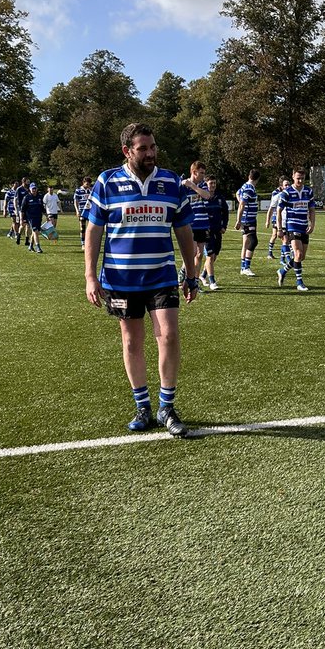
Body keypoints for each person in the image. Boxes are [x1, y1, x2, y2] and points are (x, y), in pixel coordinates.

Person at [83, 122, 198, 438]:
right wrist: (91, 277)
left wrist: (192, 274)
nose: (151, 153)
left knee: (169, 336)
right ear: (127, 151)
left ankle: (167, 407)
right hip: (121, 279)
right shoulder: (107, 181)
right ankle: (142, 406)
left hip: (161, 275)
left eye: (153, 147)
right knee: (132, 340)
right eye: (143, 148)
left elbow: (184, 230)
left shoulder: (172, 182)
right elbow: (93, 231)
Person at [276, 169, 316, 291]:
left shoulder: (308, 191)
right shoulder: (286, 193)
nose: (300, 180)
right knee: (298, 254)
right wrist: (279, 228)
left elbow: (312, 209)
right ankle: (299, 283)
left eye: (302, 178)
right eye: (298, 178)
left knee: (301, 257)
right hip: (292, 226)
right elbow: (278, 211)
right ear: (293, 176)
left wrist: (312, 224)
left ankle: (283, 270)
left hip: (304, 226)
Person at [202, 175, 228, 290]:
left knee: (214, 256)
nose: (212, 185)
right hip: (206, 231)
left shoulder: (220, 198)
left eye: (214, 183)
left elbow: (225, 213)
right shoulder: (202, 197)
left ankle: (203, 275)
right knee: (210, 256)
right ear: (206, 184)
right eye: (210, 183)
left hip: (217, 231)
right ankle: (212, 281)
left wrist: (224, 226)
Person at [235, 169, 260, 277]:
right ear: (258, 179)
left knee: (246, 243)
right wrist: (238, 220)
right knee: (253, 241)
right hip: (248, 220)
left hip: (248, 218)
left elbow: (237, 193)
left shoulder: (245, 186)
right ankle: (246, 267)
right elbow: (242, 204)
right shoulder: (249, 188)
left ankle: (242, 267)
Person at [265, 178, 289, 261]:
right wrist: (268, 220)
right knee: (275, 235)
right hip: (277, 217)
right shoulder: (276, 193)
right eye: (286, 185)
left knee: (285, 238)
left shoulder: (289, 192)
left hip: (285, 218)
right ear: (281, 186)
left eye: (288, 184)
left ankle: (283, 257)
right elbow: (272, 207)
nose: (288, 186)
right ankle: (270, 253)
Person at [20, 183, 45, 253]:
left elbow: (42, 208)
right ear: (30, 189)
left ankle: (30, 246)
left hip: (39, 217)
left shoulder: (40, 197)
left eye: (35, 188)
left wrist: (47, 216)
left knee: (35, 232)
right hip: (30, 218)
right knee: (35, 231)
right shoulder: (26, 198)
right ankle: (38, 247)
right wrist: (21, 219)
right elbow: (22, 210)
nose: (34, 190)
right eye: (32, 188)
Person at [74, 176, 93, 246]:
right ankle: (83, 243)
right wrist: (77, 210)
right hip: (82, 211)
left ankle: (89, 242)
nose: (88, 186)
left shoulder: (91, 190)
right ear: (83, 183)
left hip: (90, 211)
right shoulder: (78, 190)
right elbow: (76, 201)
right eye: (87, 184)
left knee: (90, 228)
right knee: (82, 227)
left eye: (89, 184)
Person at [14, 176, 31, 246]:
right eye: (27, 181)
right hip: (22, 209)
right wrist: (16, 209)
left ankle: (27, 240)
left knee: (28, 225)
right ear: (24, 182)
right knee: (22, 225)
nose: (28, 183)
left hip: (29, 210)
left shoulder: (29, 189)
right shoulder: (19, 189)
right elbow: (15, 199)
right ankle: (18, 237)